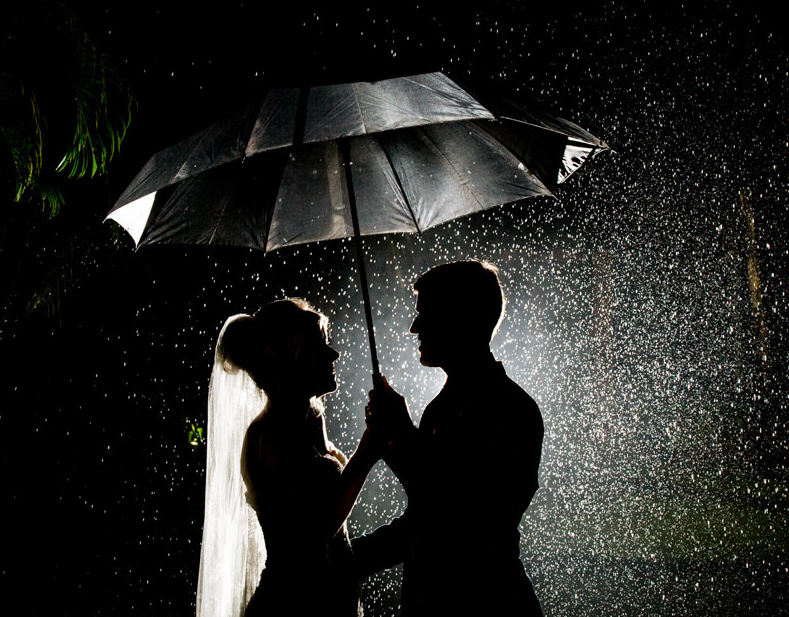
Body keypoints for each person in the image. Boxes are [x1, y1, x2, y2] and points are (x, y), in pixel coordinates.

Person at [355, 260, 544, 616]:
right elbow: (422, 517)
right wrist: (351, 558)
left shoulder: (510, 411)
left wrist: (400, 433)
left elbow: (461, 519)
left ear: (462, 318)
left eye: (426, 313)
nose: (414, 327)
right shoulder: (440, 409)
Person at [197, 298, 381, 617]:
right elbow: (312, 534)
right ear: (291, 356)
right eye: (319, 343)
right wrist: (368, 450)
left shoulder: (310, 422)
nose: (334, 354)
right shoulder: (266, 436)